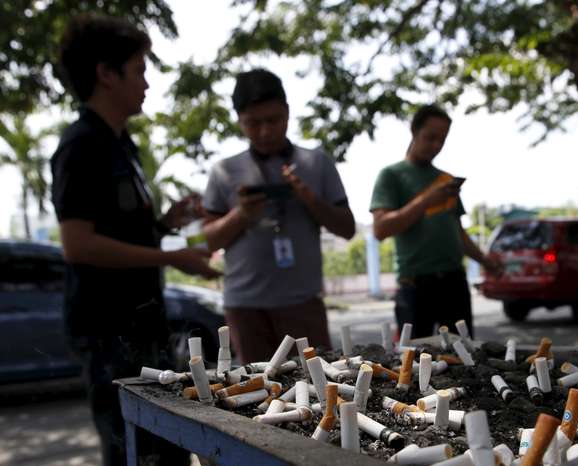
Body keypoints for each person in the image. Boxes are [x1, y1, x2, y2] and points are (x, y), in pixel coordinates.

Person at [51, 14, 220, 466]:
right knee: (135, 453)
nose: (147, 83)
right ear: (107, 73)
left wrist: (166, 224)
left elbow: (118, 232)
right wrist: (177, 257)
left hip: (142, 325)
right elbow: (79, 245)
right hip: (109, 332)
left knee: (165, 449)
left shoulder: (122, 145)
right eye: (140, 70)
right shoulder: (81, 145)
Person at [202, 69, 355, 364]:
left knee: (318, 389)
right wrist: (240, 215)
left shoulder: (316, 163)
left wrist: (309, 199)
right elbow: (203, 241)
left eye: (273, 120)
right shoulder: (223, 171)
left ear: (287, 112)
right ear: (239, 120)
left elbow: (347, 228)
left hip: (303, 303)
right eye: (253, 123)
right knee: (254, 394)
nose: (264, 131)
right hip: (246, 308)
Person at [370, 104, 502, 339]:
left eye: (442, 140)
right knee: (413, 364)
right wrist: (426, 200)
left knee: (464, 362)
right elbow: (380, 229)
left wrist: (486, 261)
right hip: (415, 286)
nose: (436, 146)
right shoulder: (391, 175)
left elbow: (458, 234)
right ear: (414, 131)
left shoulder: (446, 180)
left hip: (454, 283)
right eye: (430, 137)